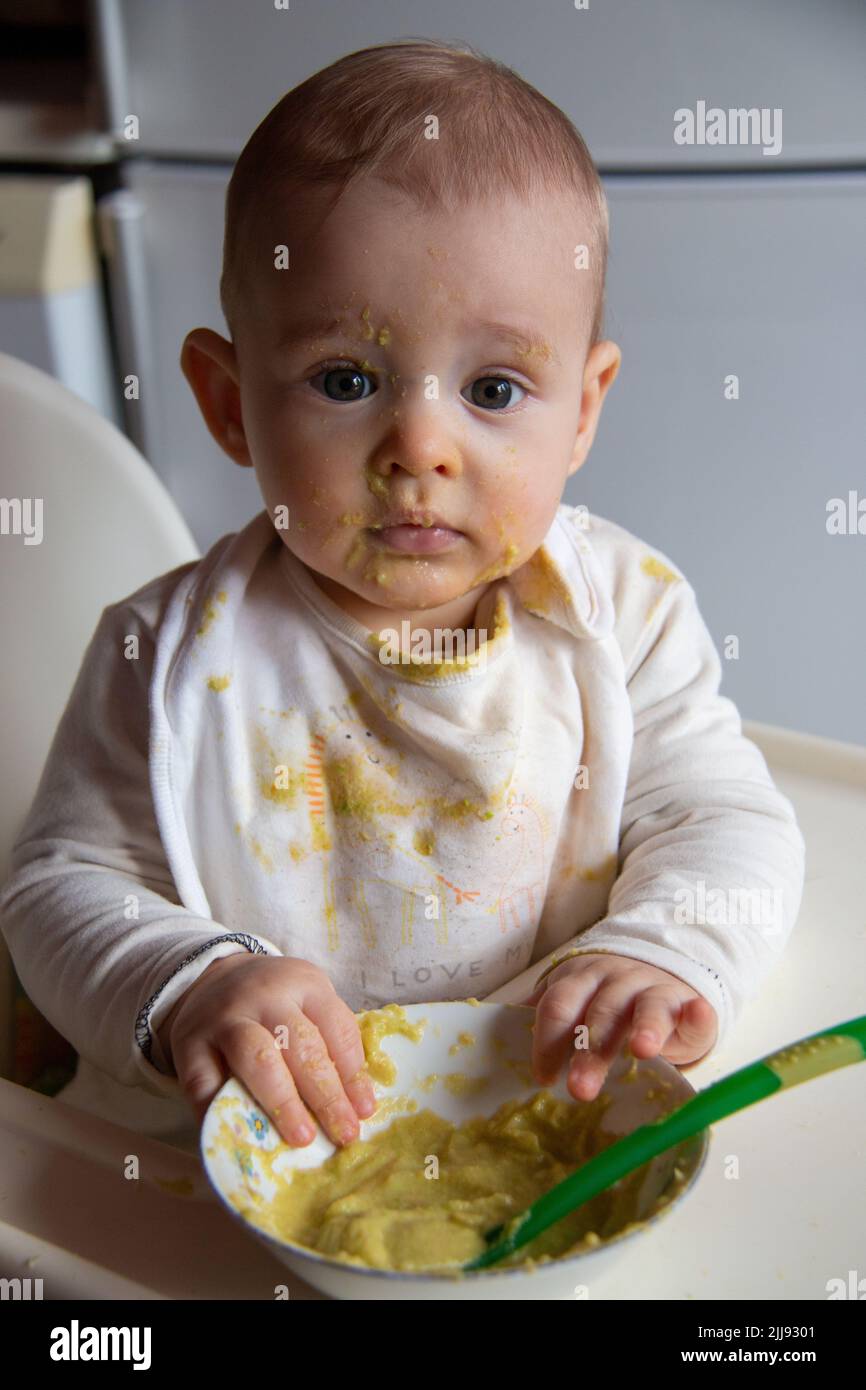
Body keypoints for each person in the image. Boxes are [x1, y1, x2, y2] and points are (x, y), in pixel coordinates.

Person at [0, 39, 805, 1156]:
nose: (419, 445)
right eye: (345, 380)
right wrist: (191, 983)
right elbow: (59, 887)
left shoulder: (623, 616)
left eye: (492, 388)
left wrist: (663, 949)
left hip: (537, 1109)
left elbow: (721, 821)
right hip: (257, 1146)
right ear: (229, 404)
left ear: (580, 408)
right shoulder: (164, 654)